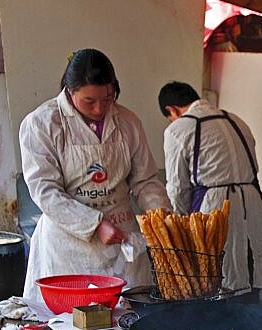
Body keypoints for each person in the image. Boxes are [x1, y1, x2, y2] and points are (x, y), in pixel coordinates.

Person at [19, 49, 170, 303]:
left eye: (108, 98)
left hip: (122, 245)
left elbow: (145, 182)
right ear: (69, 90)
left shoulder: (128, 122)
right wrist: (94, 224)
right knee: (70, 326)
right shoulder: (42, 124)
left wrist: (164, 219)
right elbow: (46, 190)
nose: (100, 108)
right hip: (68, 250)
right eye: (89, 101)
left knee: (126, 323)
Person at [157, 81, 262, 300]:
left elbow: (177, 187)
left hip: (213, 206)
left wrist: (184, 226)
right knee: (249, 273)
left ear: (171, 110)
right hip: (252, 203)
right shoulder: (236, 120)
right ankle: (251, 328)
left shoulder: (177, 129)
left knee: (213, 281)